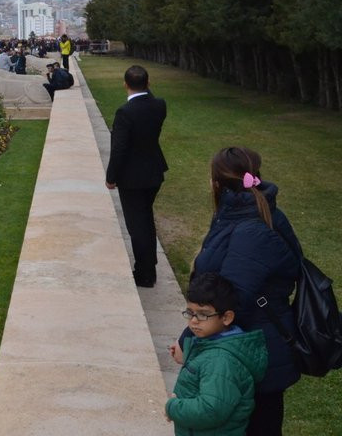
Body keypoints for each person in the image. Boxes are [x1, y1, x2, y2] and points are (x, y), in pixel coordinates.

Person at [190, 147, 302, 435]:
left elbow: (231, 302)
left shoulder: (249, 228)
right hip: (251, 349)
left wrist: (189, 339)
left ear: (216, 182)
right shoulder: (243, 214)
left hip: (254, 354)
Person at [165, 272, 267, 436]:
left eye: (203, 314)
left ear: (226, 317)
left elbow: (211, 410)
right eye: (190, 312)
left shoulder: (221, 360)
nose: (193, 320)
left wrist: (172, 407)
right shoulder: (209, 345)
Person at [104, 65, 168, 288]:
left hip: (132, 178)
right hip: (153, 172)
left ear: (125, 84)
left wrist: (110, 177)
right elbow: (148, 96)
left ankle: (145, 273)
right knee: (145, 219)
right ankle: (149, 264)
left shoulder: (125, 112)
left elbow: (119, 148)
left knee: (137, 226)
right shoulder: (159, 105)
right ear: (148, 84)